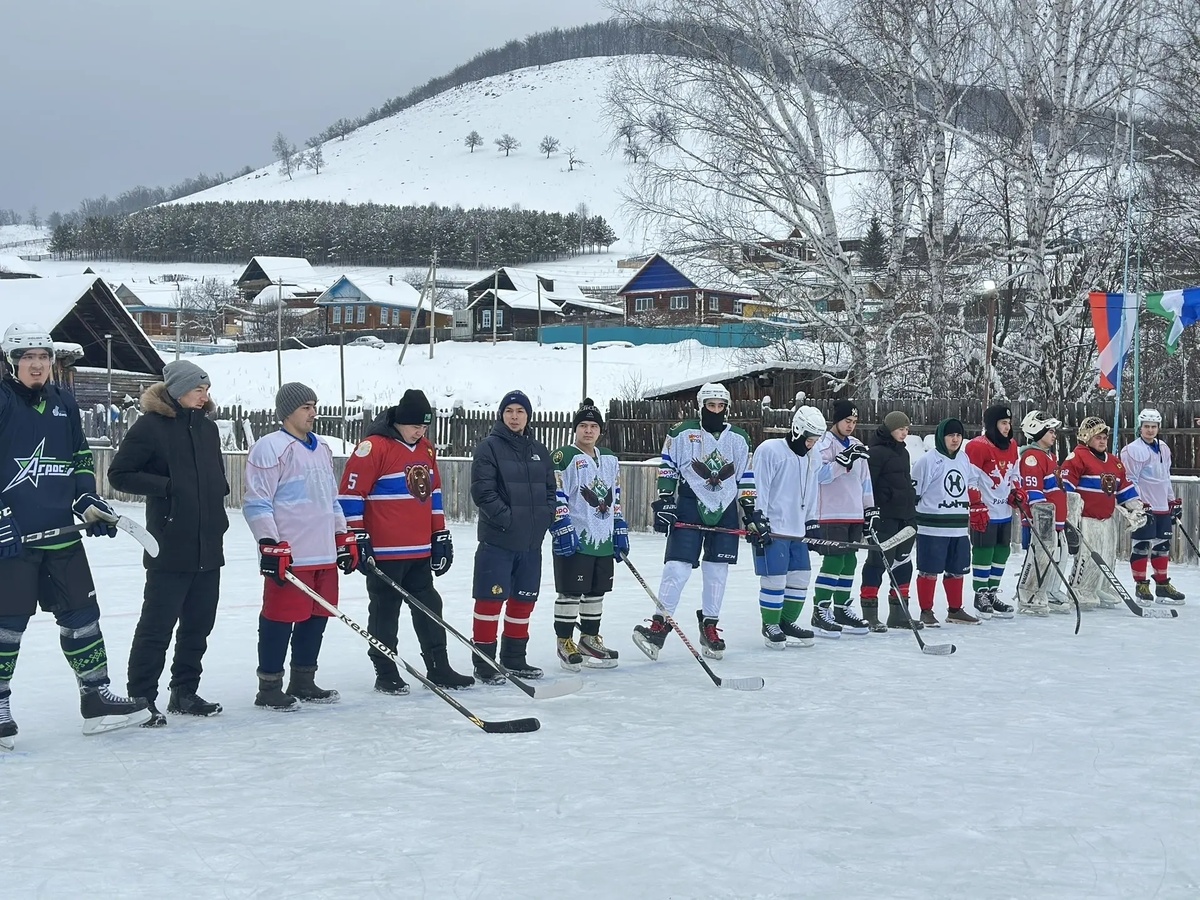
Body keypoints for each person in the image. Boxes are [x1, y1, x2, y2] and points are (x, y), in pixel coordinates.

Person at [0, 323, 150, 750]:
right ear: (12, 362)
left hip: (62, 539)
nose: (37, 365)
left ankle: (96, 697)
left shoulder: (64, 401)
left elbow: (80, 455)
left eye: (43, 357)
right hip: (13, 540)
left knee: (82, 617)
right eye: (28, 357)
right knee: (7, 624)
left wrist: (85, 499)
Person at [108, 360, 230, 726]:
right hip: (169, 544)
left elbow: (216, 476)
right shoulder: (151, 426)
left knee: (198, 626)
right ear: (177, 391)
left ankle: (184, 692)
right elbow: (119, 474)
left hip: (209, 544)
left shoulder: (208, 428)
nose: (204, 396)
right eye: (198, 389)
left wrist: (219, 500)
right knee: (156, 627)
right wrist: (166, 486)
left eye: (206, 389)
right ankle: (141, 698)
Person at [338, 388, 474, 693]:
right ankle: (386, 672)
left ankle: (439, 666)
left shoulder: (426, 449)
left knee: (430, 605)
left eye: (424, 426)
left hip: (419, 550)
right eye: (415, 426)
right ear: (399, 421)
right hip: (384, 552)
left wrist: (439, 534)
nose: (420, 431)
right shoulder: (373, 448)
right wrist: (356, 536)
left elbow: (433, 494)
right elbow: (350, 495)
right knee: (385, 610)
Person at [633, 382, 768, 660]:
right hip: (689, 504)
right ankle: (659, 625)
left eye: (720, 406)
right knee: (677, 567)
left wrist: (751, 513)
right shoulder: (681, 432)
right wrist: (666, 499)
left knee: (717, 571)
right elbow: (668, 466)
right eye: (710, 405)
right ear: (701, 406)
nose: (715, 410)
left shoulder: (740, 438)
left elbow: (746, 477)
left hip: (725, 508)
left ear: (726, 408)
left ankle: (710, 626)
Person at [244, 382, 357, 710]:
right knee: (280, 618)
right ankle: (269, 686)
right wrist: (269, 542)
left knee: (317, 617)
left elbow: (331, 499)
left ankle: (303, 680)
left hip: (323, 553)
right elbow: (257, 501)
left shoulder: (322, 448)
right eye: (306, 407)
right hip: (291, 555)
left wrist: (342, 536)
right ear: (287, 412)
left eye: (314, 405)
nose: (313, 412)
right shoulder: (270, 448)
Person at [469, 390, 557, 682]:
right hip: (499, 541)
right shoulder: (488, 448)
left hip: (531, 543)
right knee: (490, 602)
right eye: (509, 411)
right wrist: (509, 519)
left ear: (528, 416)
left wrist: (544, 517)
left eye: (520, 411)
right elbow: (483, 492)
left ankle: (515, 658)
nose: (515, 417)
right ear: (501, 415)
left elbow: (550, 491)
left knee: (523, 601)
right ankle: (485, 663)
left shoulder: (539, 450)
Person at [549, 398, 624, 670]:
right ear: (575, 429)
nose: (588, 431)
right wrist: (561, 524)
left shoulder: (610, 459)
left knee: (596, 591)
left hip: (602, 537)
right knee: (571, 591)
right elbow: (555, 492)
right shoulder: (564, 457)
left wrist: (619, 526)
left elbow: (616, 495)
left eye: (593, 426)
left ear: (600, 430)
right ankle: (565, 641)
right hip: (576, 536)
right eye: (583, 426)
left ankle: (589, 639)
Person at [752, 406, 823, 648]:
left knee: (800, 577)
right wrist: (758, 517)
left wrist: (811, 520)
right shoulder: (770, 450)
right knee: (775, 578)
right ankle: (770, 624)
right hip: (774, 528)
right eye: (809, 439)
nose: (811, 444)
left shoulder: (814, 456)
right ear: (797, 431)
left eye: (816, 440)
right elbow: (759, 485)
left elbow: (812, 489)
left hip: (797, 529)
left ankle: (786, 622)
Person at [1060, 417, 1146, 611]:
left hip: (1107, 520)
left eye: (1104, 438)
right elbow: (1066, 490)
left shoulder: (1114, 462)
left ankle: (1103, 587)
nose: (1102, 441)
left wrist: (1136, 507)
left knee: (1107, 556)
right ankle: (1081, 590)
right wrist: (1069, 519)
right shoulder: (1078, 457)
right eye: (1098, 437)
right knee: (1088, 557)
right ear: (1086, 437)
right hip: (1086, 519)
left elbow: (1124, 489)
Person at [809, 400, 877, 636]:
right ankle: (820, 609)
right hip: (831, 512)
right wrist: (842, 461)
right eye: (847, 421)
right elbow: (820, 476)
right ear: (836, 420)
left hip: (854, 513)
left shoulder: (857, 444)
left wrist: (869, 509)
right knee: (834, 561)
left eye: (854, 422)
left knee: (849, 562)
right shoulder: (824, 444)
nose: (851, 425)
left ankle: (841, 609)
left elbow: (865, 480)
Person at [911, 418, 981, 626]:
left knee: (957, 569)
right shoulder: (928, 461)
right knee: (929, 569)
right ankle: (926, 611)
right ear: (942, 437)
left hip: (958, 527)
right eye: (951, 435)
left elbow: (971, 481)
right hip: (932, 527)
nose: (955, 439)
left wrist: (976, 502)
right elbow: (915, 492)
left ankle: (955, 610)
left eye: (958, 435)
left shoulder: (963, 459)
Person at [862, 410, 921, 632]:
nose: (904, 433)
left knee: (903, 563)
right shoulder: (876, 453)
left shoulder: (903, 452)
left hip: (905, 517)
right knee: (877, 563)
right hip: (885, 517)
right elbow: (869, 485)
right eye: (900, 429)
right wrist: (874, 510)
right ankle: (870, 614)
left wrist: (910, 503)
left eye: (906, 429)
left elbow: (905, 481)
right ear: (889, 429)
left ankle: (899, 614)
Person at [1121, 408, 1186, 604]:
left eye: (1154, 426)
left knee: (1162, 546)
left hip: (1162, 505)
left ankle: (1162, 586)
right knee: (1141, 545)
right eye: (1146, 426)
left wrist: (1172, 501)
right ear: (1140, 428)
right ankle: (1141, 585)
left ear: (1158, 427)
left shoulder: (1163, 448)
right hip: (1145, 506)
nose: (1150, 430)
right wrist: (1138, 505)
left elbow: (1165, 477)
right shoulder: (1132, 450)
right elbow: (1130, 479)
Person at [964, 403, 1021, 619]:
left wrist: (1017, 491)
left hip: (1004, 510)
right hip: (985, 511)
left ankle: (992, 592)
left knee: (1002, 551)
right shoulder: (977, 446)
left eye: (1009, 423)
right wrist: (975, 503)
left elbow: (1015, 473)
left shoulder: (1012, 445)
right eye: (1003, 423)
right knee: (983, 551)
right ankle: (980, 594)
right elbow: (970, 479)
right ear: (991, 424)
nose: (1007, 427)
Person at [1014, 410, 1070, 616]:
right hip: (1042, 521)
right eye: (1050, 431)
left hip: (1056, 520)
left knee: (1059, 555)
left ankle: (1050, 590)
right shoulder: (1031, 457)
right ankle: (1029, 593)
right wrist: (1040, 519)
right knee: (1040, 557)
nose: (1054, 434)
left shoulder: (1050, 456)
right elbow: (1033, 490)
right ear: (1036, 431)